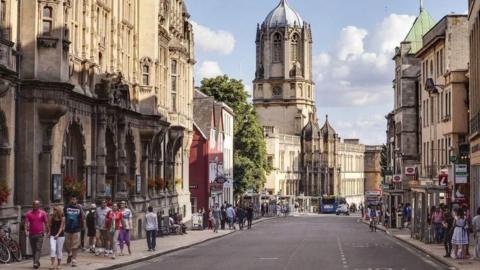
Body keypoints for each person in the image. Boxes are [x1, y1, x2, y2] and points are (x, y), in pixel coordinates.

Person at [25, 200, 49, 269]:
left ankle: (35, 263)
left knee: (38, 248)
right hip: (31, 234)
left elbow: (46, 222)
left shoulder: (43, 213)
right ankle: (36, 262)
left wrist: (48, 231)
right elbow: (26, 223)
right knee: (34, 249)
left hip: (40, 234)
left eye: (36, 205)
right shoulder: (29, 213)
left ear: (39, 205)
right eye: (34, 204)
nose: (35, 206)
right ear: (32, 205)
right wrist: (26, 230)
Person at [64, 196, 84, 267]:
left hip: (76, 229)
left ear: (77, 200)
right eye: (72, 199)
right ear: (70, 200)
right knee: (66, 245)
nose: (73, 200)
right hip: (67, 229)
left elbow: (83, 217)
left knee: (75, 245)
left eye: (74, 199)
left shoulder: (79, 208)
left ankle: (74, 260)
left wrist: (81, 208)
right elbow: (63, 217)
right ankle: (70, 254)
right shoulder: (66, 207)